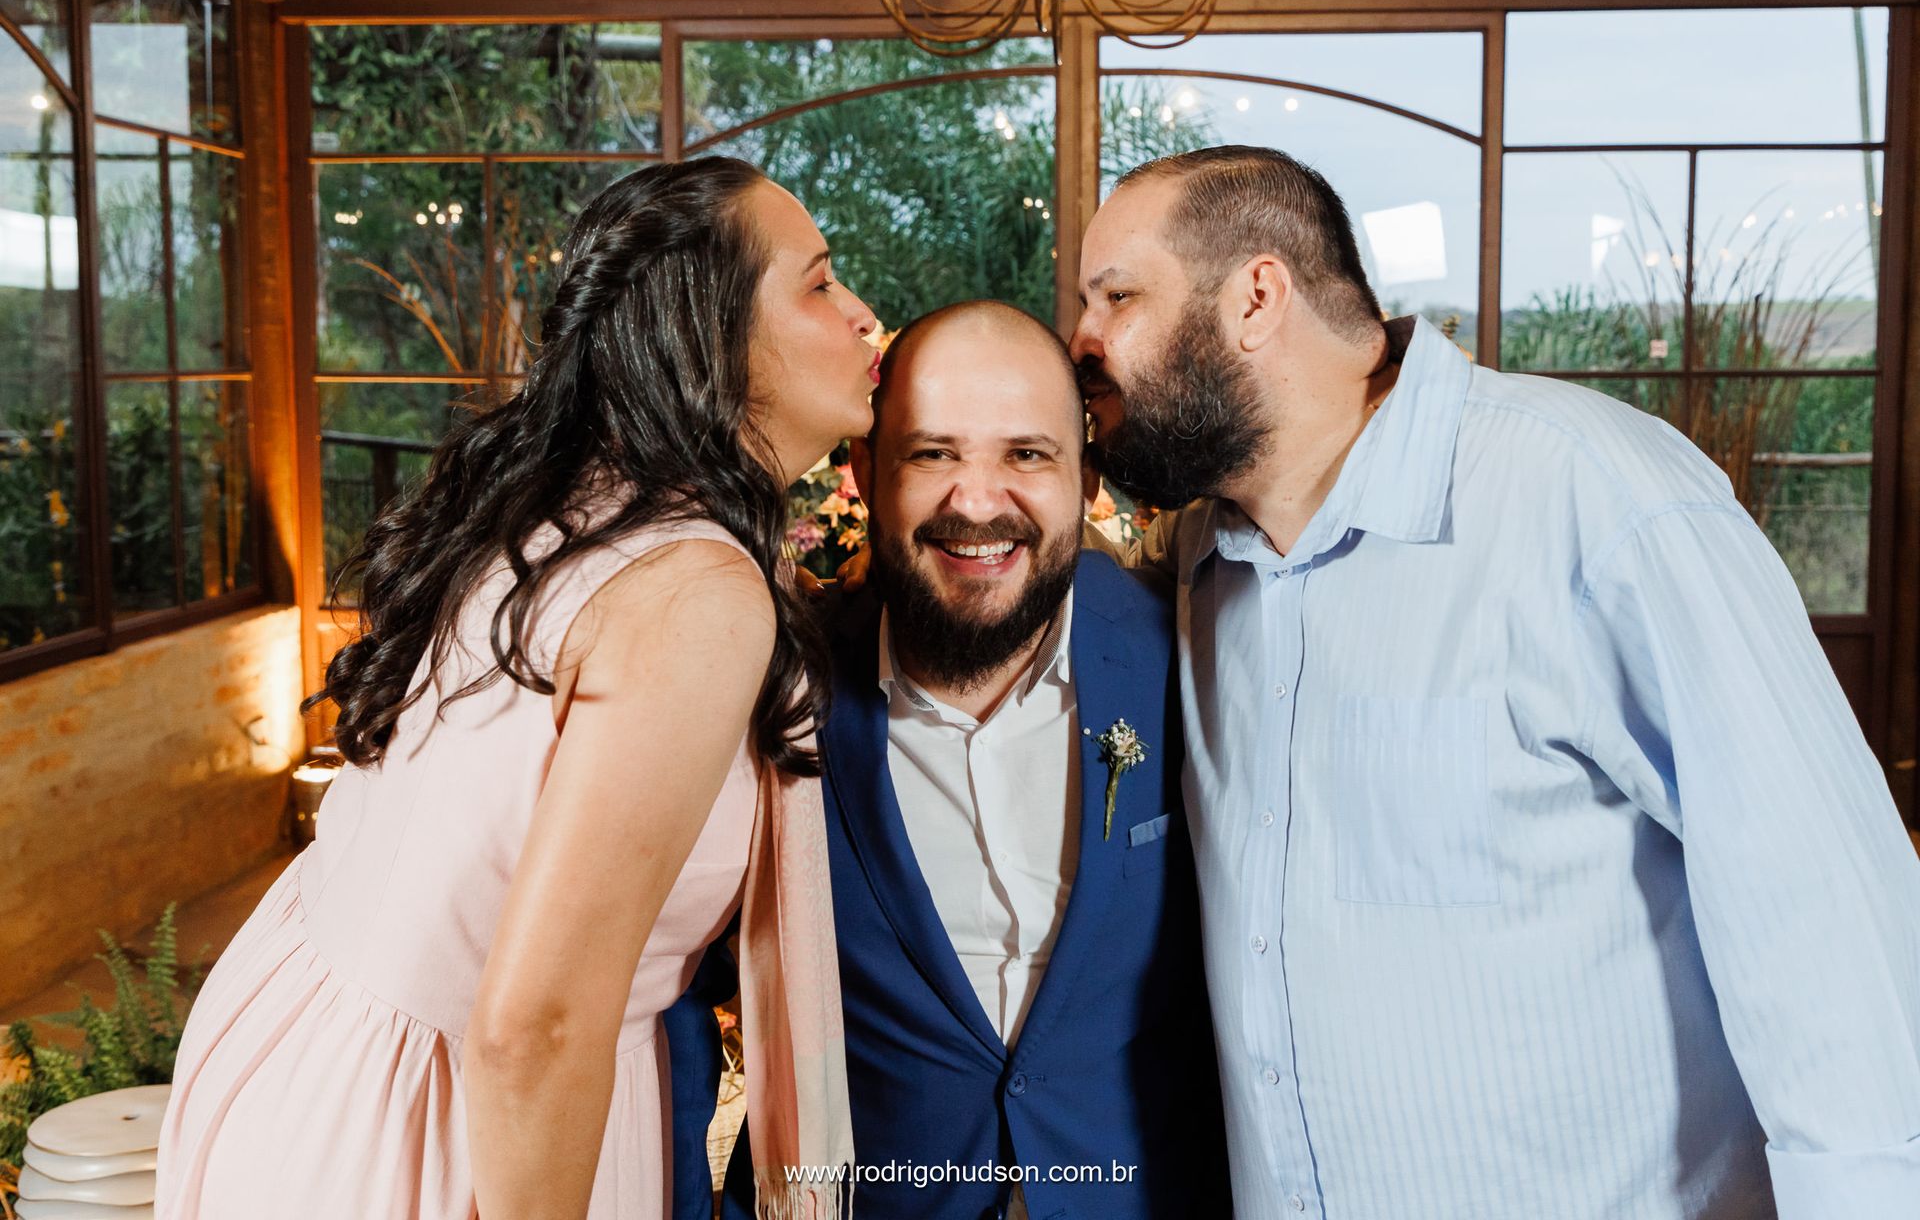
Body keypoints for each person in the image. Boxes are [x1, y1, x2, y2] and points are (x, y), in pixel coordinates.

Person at [1068, 143, 1920, 1218]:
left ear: (1255, 295)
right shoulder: (1200, 564)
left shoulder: (1598, 495)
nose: (1082, 340)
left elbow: (1826, 915)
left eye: (1117, 295)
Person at [156, 157, 879, 1220]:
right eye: (820, 283)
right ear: (709, 334)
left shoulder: (579, 502)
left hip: (308, 1050)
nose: (866, 316)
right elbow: (534, 1024)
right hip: (450, 1126)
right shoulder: (698, 589)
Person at [713, 300, 1230, 1219]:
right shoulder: (770, 684)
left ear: (1085, 481)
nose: (978, 501)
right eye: (933, 454)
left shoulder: (1191, 655)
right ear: (867, 472)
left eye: (1026, 455)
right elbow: (667, 987)